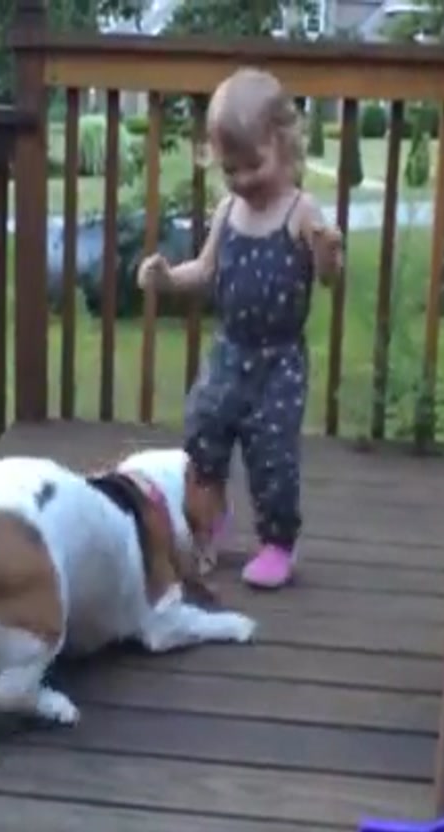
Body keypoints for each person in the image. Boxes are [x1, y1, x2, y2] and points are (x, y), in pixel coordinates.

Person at [136, 67, 344, 589]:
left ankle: (277, 542)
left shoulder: (301, 211)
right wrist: (165, 277)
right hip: (230, 352)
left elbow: (327, 279)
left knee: (272, 452)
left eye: (255, 165)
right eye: (231, 169)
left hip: (278, 361)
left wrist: (327, 254)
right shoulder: (228, 211)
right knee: (203, 429)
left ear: (286, 144)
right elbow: (204, 271)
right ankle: (210, 519)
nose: (244, 179)